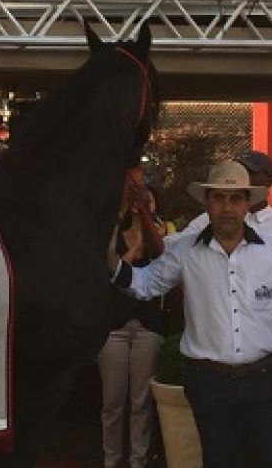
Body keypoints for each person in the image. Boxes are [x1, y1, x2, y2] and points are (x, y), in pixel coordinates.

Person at [110, 160, 272, 468]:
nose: (227, 207)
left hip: (264, 382)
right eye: (218, 197)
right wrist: (110, 263)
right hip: (209, 384)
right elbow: (145, 284)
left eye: (235, 198)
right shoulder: (185, 250)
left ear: (247, 203)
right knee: (219, 461)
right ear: (207, 203)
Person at [177, 150, 272, 311]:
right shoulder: (206, 221)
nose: (242, 174)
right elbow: (175, 255)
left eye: (250, 171)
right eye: (239, 168)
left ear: (268, 180)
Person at [97, 182, 171, 468]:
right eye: (137, 201)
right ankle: (111, 459)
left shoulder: (163, 237)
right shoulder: (117, 234)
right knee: (112, 401)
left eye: (148, 201)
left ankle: (138, 460)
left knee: (142, 402)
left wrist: (151, 234)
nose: (142, 206)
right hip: (114, 325)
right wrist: (133, 239)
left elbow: (163, 266)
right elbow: (112, 269)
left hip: (147, 325)